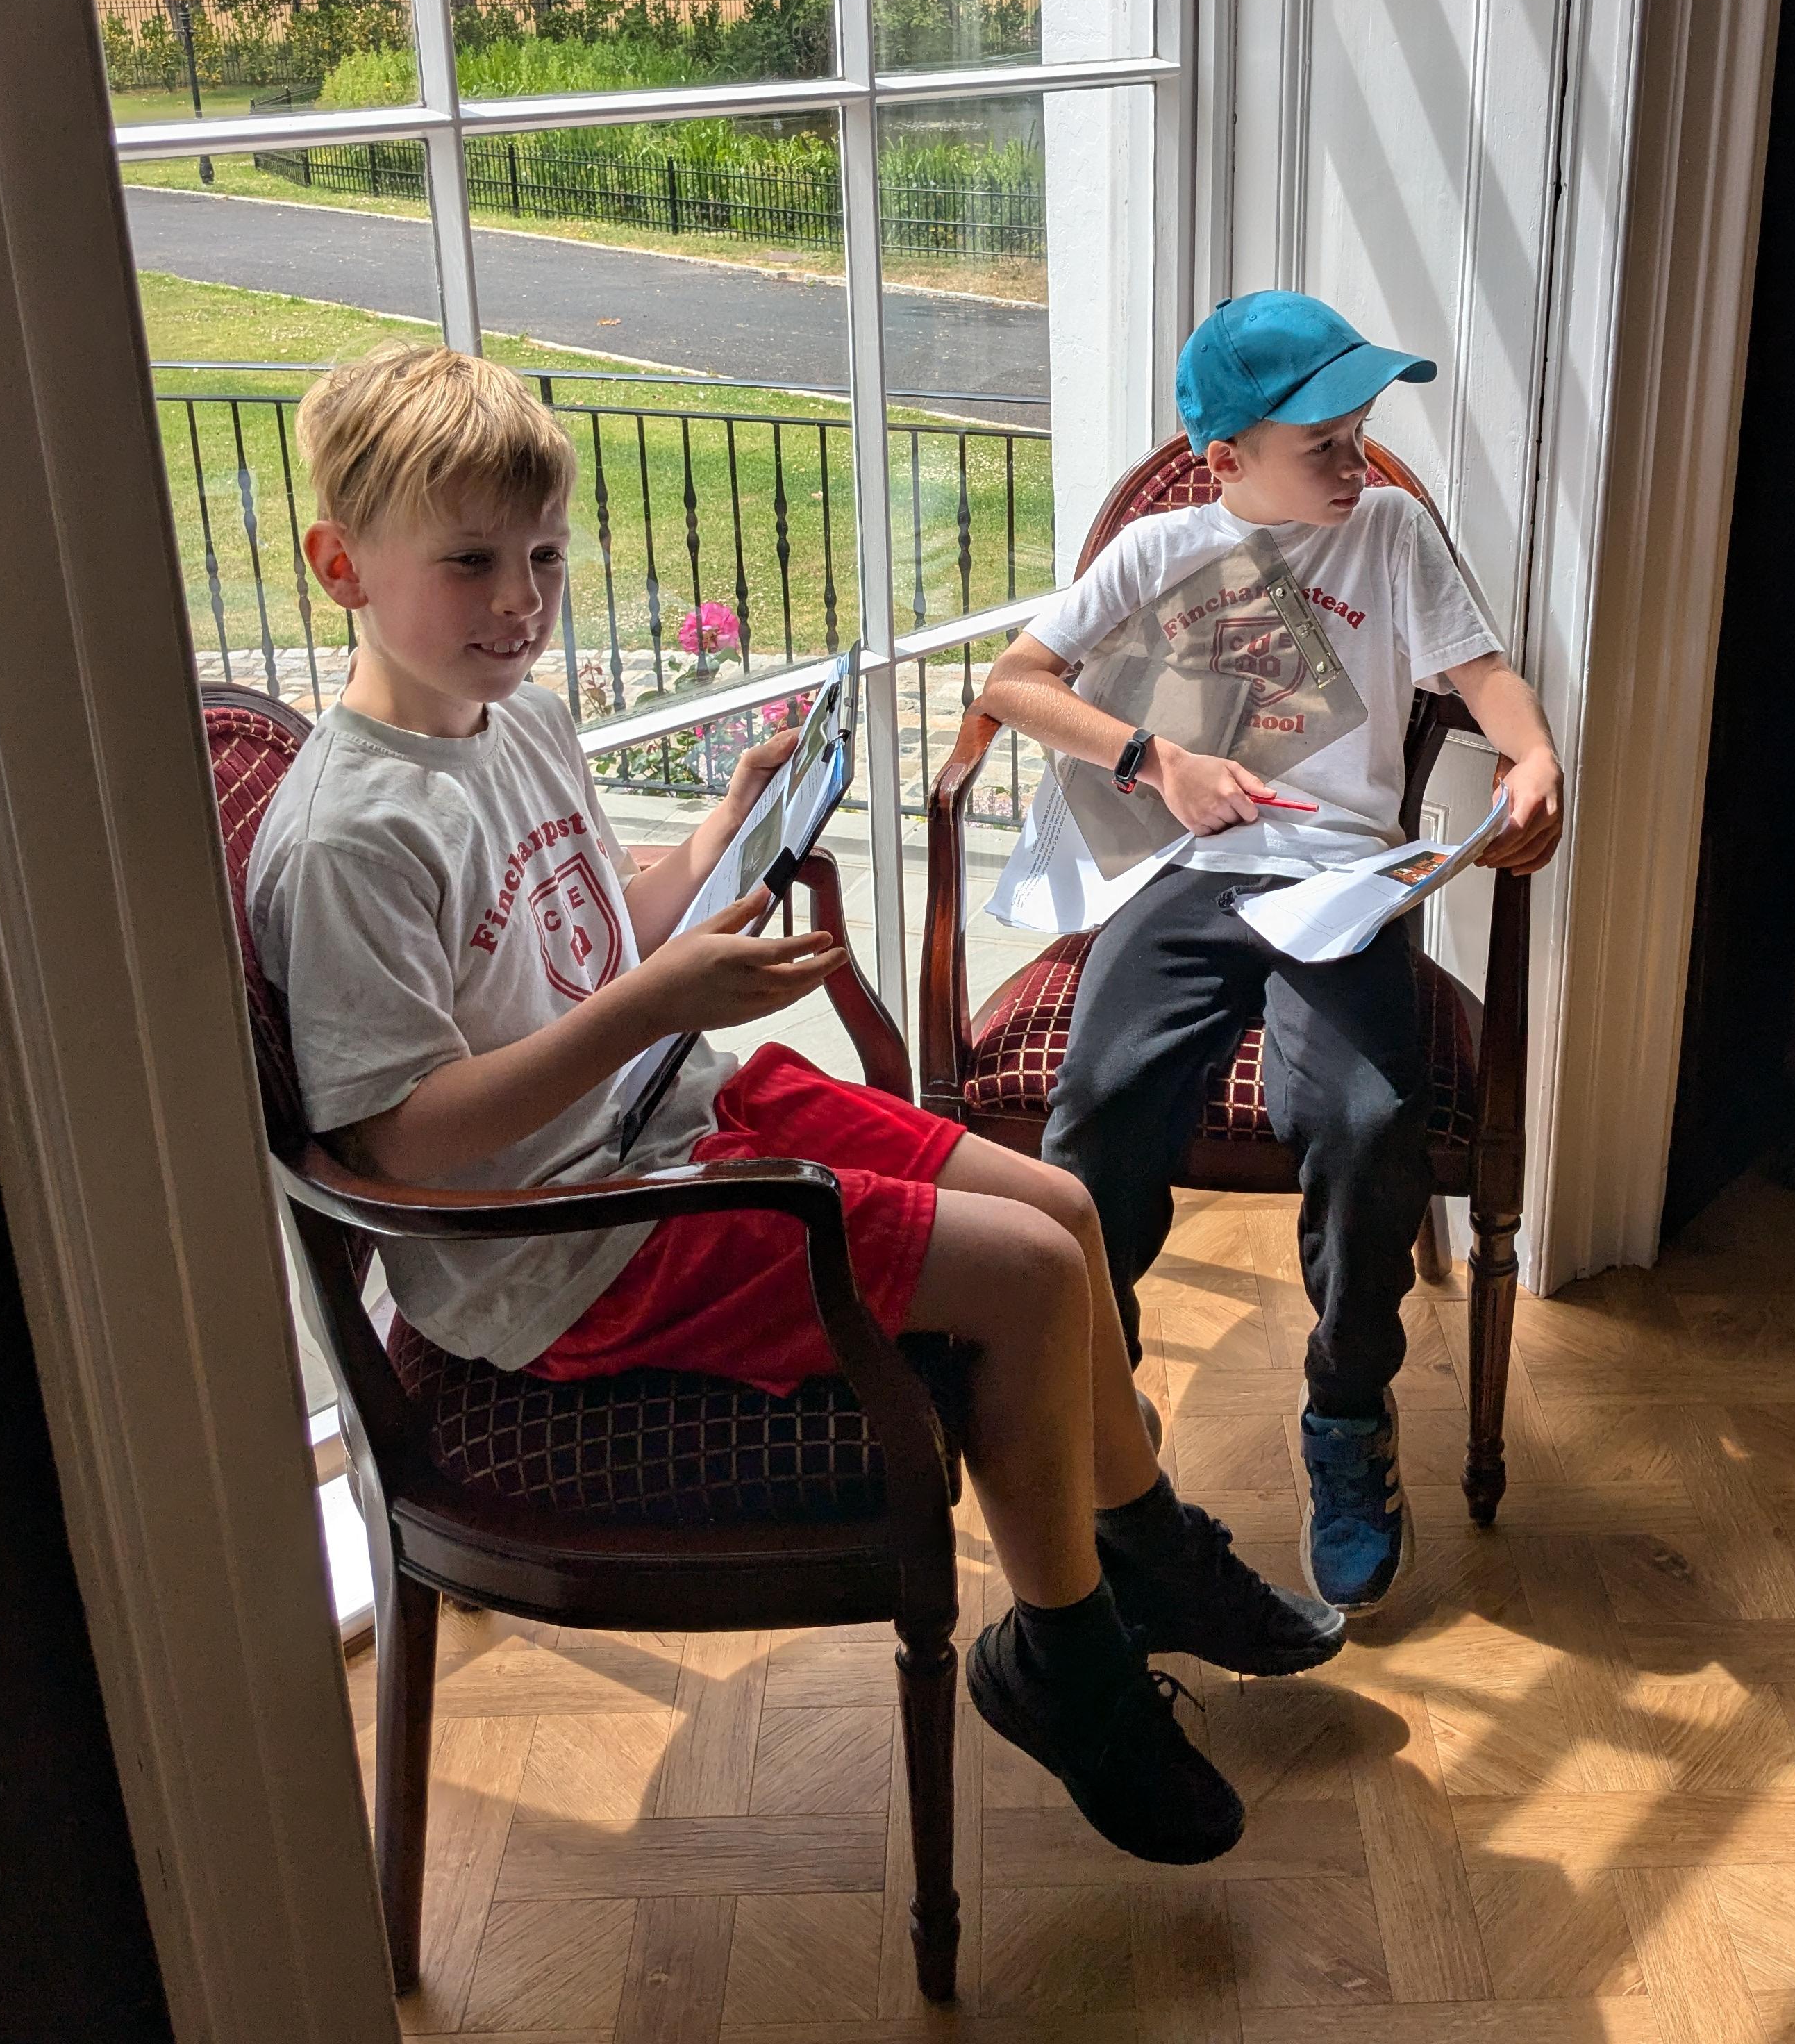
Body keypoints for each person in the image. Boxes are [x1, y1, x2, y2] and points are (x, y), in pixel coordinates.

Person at [249, 342, 1347, 1870]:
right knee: (1028, 1277)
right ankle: (1066, 1657)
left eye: (546, 558)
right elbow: (406, 1142)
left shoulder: (523, 722)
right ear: (340, 568)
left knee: (1064, 1209)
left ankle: (1142, 1542)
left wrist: (723, 828)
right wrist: (658, 1006)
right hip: (564, 1242)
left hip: (667, 1111)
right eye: (472, 562)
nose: (522, 600)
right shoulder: (351, 839)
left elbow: (592, 935)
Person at [978, 293, 1566, 1615]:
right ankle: (1102, 1395)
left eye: (1361, 433)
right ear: (1225, 458)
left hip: (1344, 884)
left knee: (1365, 1121)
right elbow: (1013, 685)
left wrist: (1534, 755)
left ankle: (1347, 1413)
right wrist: (1158, 761)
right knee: (1097, 1109)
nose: (1358, 465)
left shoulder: (1393, 533)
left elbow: (1485, 679)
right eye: (1325, 446)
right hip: (1189, 874)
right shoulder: (1160, 551)